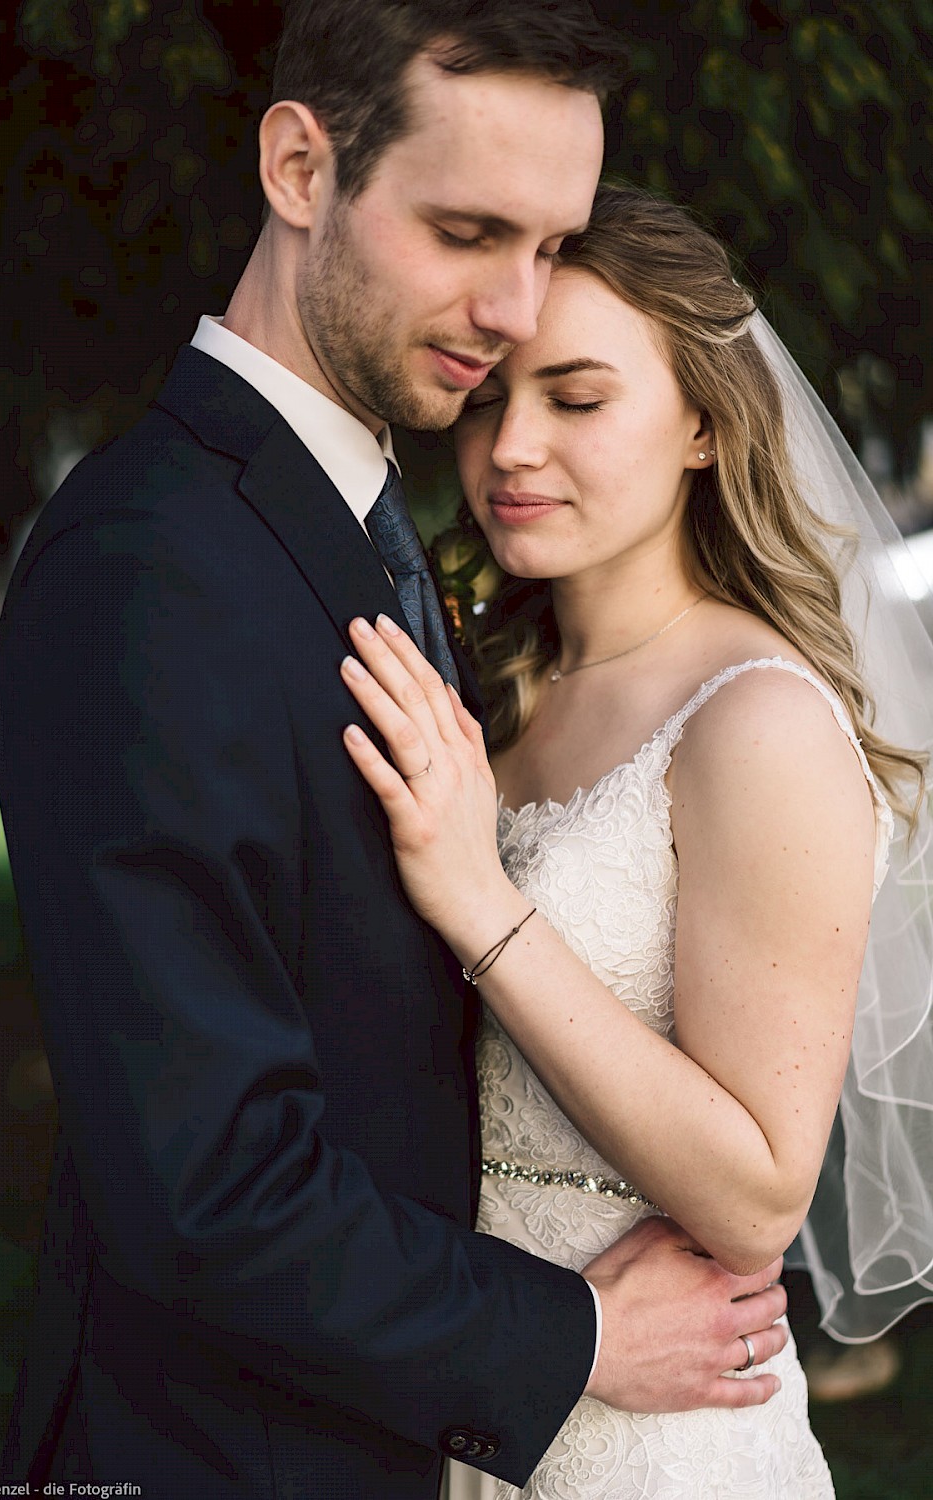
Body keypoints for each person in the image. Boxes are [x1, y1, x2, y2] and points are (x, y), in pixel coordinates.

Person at [0, 8, 791, 1499]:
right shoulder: (149, 567)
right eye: (470, 231)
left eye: (547, 246)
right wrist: (579, 1335)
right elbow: (208, 1188)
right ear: (300, 164)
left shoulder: (359, 527)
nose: (518, 308)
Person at [337, 182, 933, 1497]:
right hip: (489, 1396)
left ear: (706, 430)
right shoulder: (493, 692)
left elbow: (762, 1196)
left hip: (661, 1447)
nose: (510, 447)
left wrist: (477, 899)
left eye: (578, 398)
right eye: (490, 395)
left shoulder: (754, 721)